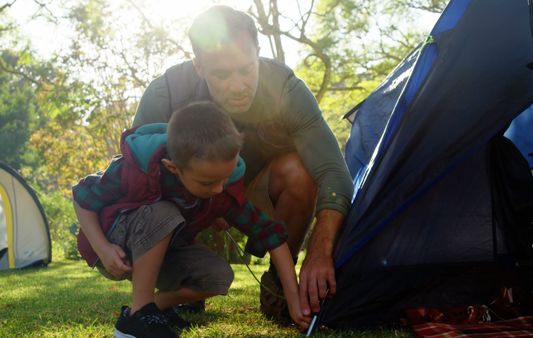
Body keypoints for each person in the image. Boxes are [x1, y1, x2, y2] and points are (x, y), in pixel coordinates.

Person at [132, 5, 353, 321]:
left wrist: (320, 250)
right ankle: (179, 282)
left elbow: (333, 171)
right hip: (187, 200)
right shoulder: (165, 95)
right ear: (199, 66)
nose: (238, 86)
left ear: (258, 53)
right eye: (222, 74)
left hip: (252, 197)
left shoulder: (287, 90)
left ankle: (280, 286)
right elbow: (134, 181)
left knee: (299, 170)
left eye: (246, 69)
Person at [72, 101, 310, 338]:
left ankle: (155, 307)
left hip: (165, 251)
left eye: (225, 179)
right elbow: (82, 197)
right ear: (173, 168)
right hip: (115, 244)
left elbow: (270, 235)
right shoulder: (137, 167)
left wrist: (293, 298)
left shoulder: (221, 188)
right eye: (207, 183)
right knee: (164, 212)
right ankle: (138, 317)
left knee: (218, 276)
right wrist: (103, 248)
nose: (218, 189)